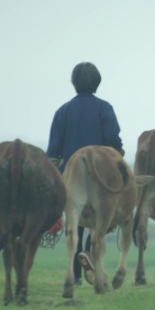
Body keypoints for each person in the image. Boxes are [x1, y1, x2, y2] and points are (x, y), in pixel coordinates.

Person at [46, 62, 125, 286]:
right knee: (102, 217)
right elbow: (112, 139)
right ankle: (91, 253)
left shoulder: (62, 111)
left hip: (71, 176)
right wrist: (118, 153)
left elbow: (53, 152)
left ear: (74, 83)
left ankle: (77, 275)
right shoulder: (104, 108)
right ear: (97, 82)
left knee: (75, 223)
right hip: (100, 174)